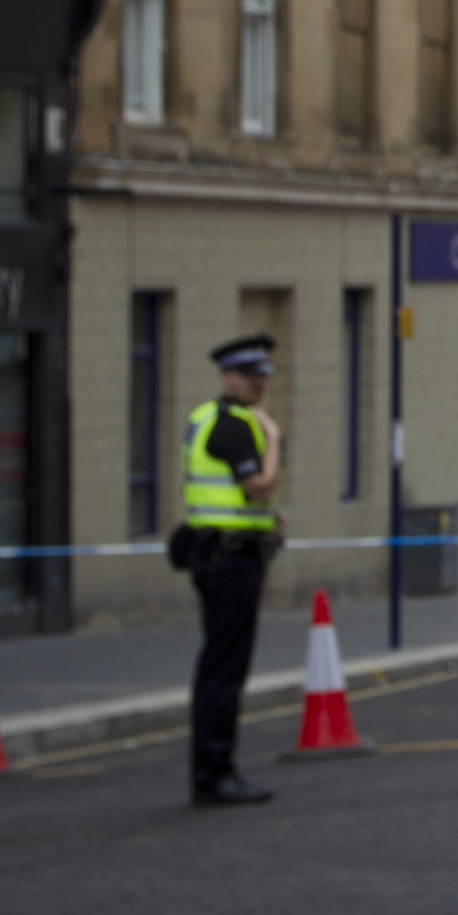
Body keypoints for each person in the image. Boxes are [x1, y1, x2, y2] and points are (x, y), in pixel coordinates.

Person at [185, 333, 282, 808]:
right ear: (227, 377)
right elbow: (260, 485)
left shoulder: (206, 418)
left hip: (217, 552)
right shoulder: (236, 426)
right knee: (225, 670)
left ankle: (213, 768)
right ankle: (215, 772)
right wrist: (275, 442)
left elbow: (236, 498)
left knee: (217, 666)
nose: (257, 384)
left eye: (262, 375)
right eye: (249, 376)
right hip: (231, 560)